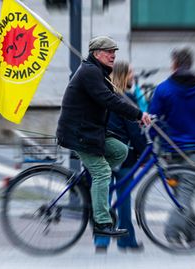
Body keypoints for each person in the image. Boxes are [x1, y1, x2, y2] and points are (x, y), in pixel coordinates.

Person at [56, 36, 151, 237]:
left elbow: (114, 97)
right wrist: (137, 114)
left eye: (114, 51)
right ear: (96, 53)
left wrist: (137, 115)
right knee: (102, 173)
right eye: (109, 51)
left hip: (91, 131)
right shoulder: (90, 72)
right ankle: (101, 222)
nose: (113, 55)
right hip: (79, 133)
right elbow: (108, 100)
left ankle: (89, 184)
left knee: (121, 150)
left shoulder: (98, 72)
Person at [148, 46, 195, 244]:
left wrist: (151, 140)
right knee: (185, 194)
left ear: (175, 64)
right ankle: (188, 235)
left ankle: (177, 233)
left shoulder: (163, 89)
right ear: (191, 63)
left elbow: (153, 119)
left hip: (170, 150)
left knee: (182, 194)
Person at [93, 61, 146, 252]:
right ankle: (126, 240)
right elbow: (134, 132)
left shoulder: (103, 97)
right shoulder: (126, 99)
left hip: (102, 153)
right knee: (124, 199)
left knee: (103, 197)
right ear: (124, 76)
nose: (133, 75)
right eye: (131, 72)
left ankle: (101, 241)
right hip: (125, 156)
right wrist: (144, 154)